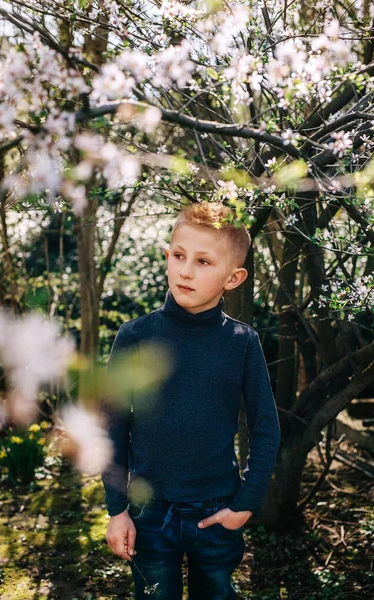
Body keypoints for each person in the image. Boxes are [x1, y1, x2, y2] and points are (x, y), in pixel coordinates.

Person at [99, 201, 281, 600]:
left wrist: (245, 504)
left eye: (203, 262)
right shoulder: (135, 337)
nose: (185, 271)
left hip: (218, 510)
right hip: (148, 512)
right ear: (166, 255)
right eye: (179, 256)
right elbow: (112, 426)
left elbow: (266, 426)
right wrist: (117, 510)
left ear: (232, 279)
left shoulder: (242, 343)